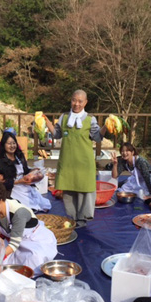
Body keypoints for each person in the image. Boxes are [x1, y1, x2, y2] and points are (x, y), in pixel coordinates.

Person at [45, 89, 107, 228]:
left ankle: (83, 218)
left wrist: (105, 127)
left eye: (80, 101)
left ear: (85, 102)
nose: (76, 104)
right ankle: (73, 218)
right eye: (74, 100)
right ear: (71, 100)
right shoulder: (64, 117)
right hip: (67, 161)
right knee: (69, 190)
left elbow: (97, 137)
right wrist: (48, 123)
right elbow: (56, 135)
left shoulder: (90, 119)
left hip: (84, 162)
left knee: (85, 190)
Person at [0, 180, 57, 275]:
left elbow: (14, 244)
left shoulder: (18, 212)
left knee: (32, 262)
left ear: (0, 200)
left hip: (34, 241)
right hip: (14, 241)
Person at [0, 131, 51, 212]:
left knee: (44, 204)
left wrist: (33, 170)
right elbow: (3, 182)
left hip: (25, 185)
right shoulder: (0, 161)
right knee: (26, 208)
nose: (12, 146)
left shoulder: (19, 156)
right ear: (4, 145)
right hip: (13, 188)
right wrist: (19, 181)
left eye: (14, 143)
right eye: (9, 143)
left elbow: (25, 170)